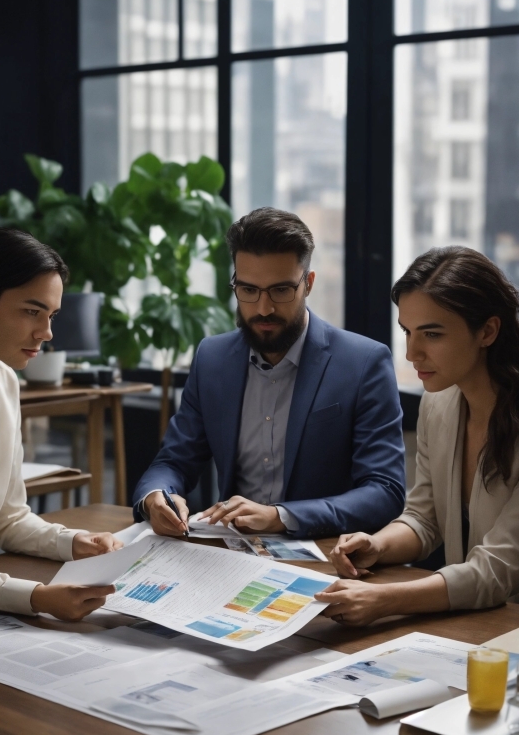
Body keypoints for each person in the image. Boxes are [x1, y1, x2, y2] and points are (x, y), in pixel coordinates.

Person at [134, 207, 406, 538]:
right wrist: (155, 498)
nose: (263, 308)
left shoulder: (364, 363)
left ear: (308, 283)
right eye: (248, 290)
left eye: (280, 290)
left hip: (325, 554)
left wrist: (282, 516)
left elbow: (385, 490)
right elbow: (174, 462)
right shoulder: (212, 359)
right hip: (231, 553)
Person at [316, 246, 519, 624]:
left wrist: (385, 599)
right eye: (407, 331)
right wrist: (378, 544)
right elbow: (425, 516)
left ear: (488, 330)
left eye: (432, 334)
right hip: (470, 620)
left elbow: (500, 568)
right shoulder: (441, 400)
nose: (412, 353)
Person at [0, 228, 121, 620]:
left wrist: (75, 542)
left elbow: (7, 519)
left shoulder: (4, 382)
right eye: (31, 311)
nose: (47, 332)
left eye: (51, 315)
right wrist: (36, 597)